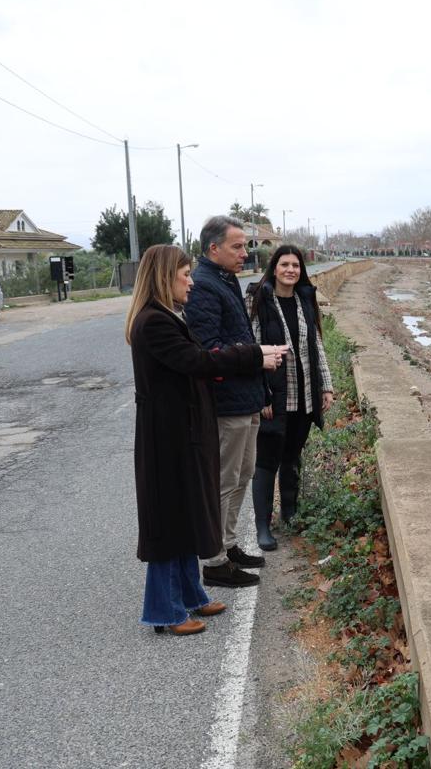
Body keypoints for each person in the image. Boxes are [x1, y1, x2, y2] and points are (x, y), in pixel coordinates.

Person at [126, 245, 287, 635]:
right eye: (184, 275)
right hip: (166, 439)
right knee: (167, 522)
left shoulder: (166, 317)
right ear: (166, 277)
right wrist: (253, 355)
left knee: (185, 515)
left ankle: (191, 595)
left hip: (181, 433)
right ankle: (164, 611)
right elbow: (199, 362)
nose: (191, 283)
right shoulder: (153, 322)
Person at [185, 216, 274, 588]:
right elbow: (210, 350)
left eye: (246, 245)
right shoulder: (205, 286)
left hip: (247, 398)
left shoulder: (225, 280)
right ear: (213, 249)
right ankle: (216, 559)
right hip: (228, 403)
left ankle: (230, 543)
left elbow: (236, 334)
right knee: (225, 479)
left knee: (243, 475)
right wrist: (256, 356)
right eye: (237, 246)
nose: (245, 252)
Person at [250, 245, 334, 550]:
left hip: (304, 394)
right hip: (274, 395)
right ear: (274, 268)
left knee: (292, 454)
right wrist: (263, 396)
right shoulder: (261, 301)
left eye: (295, 265)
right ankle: (263, 526)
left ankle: (290, 513)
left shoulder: (305, 300)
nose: (290, 270)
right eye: (284, 264)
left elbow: (317, 346)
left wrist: (326, 385)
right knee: (267, 460)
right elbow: (254, 350)